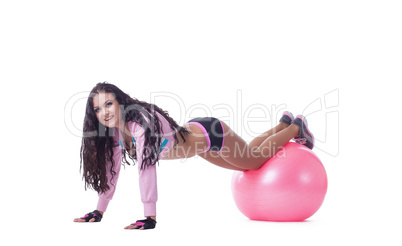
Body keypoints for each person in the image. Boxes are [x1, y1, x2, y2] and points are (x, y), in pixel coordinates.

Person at [73, 82, 314, 230]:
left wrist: (150, 215)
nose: (103, 112)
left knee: (255, 161)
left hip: (210, 134)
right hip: (199, 143)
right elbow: (110, 168)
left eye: (108, 104)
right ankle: (282, 125)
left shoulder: (138, 125)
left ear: (120, 103)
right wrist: (99, 210)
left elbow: (146, 168)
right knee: (250, 159)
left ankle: (296, 127)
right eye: (97, 108)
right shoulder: (117, 132)